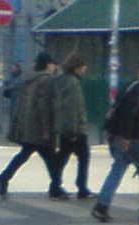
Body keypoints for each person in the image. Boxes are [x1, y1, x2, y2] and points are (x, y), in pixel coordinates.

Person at [91, 59, 139, 224]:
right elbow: (130, 113)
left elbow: (117, 109)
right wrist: (126, 137)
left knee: (118, 170)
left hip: (121, 136)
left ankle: (102, 205)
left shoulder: (130, 86)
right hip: (132, 138)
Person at [0, 53, 58, 197]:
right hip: (39, 126)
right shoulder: (46, 80)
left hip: (28, 124)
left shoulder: (29, 79)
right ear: (48, 65)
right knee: (48, 156)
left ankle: (3, 179)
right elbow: (44, 105)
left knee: (33, 155)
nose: (54, 68)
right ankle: (56, 187)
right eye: (53, 65)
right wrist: (47, 128)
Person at [48, 53, 93, 201]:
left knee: (62, 157)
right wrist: (72, 131)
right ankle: (82, 188)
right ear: (78, 67)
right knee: (83, 157)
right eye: (83, 66)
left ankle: (55, 187)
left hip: (65, 127)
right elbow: (72, 107)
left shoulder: (62, 80)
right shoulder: (73, 83)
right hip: (75, 128)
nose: (85, 69)